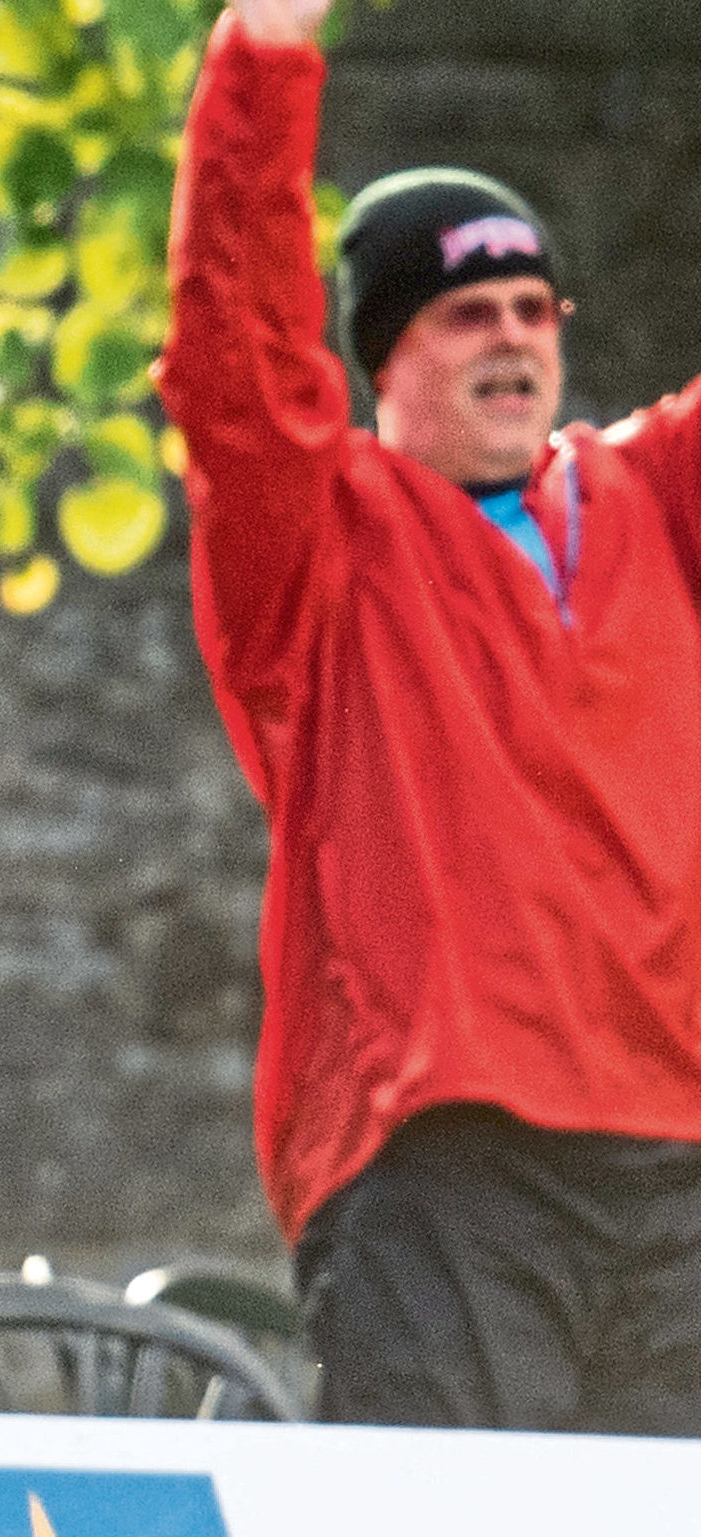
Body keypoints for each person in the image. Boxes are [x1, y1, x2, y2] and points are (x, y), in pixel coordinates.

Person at [161, 0, 701, 1433]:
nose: (514, 340)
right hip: (444, 1158)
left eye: (536, 310)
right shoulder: (324, 534)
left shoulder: (652, 496)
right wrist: (265, 58)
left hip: (680, 1159)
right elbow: (235, 360)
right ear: (386, 357)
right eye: (469, 314)